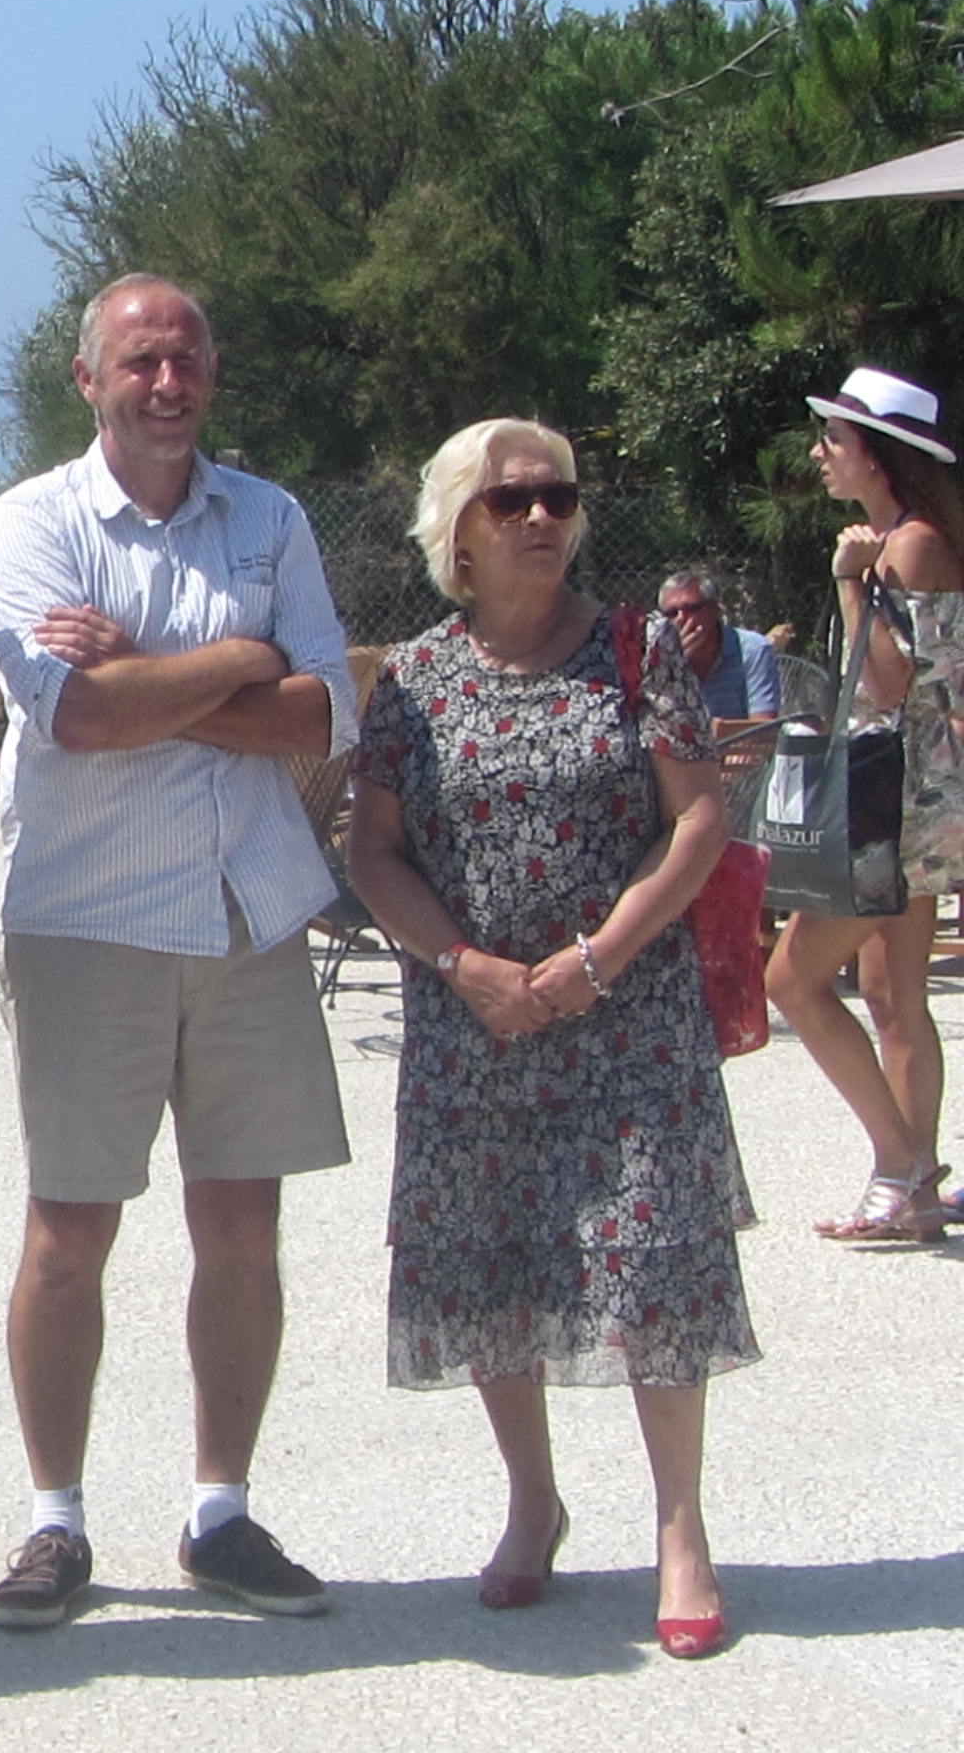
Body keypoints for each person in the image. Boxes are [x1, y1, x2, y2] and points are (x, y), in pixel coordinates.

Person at [0, 273, 353, 1632]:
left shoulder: (271, 518)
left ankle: (220, 1512)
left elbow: (322, 718)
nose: (167, 380)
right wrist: (239, 656)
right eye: (140, 358)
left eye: (187, 354)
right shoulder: (34, 524)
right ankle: (54, 1521)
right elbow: (72, 715)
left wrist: (160, 667)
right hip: (87, 917)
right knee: (70, 1232)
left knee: (243, 1230)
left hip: (246, 908)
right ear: (91, 378)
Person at [349, 417, 754, 1660]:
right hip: (475, 1026)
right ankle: (532, 1499)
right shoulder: (412, 678)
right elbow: (370, 852)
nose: (539, 518)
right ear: (455, 529)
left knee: (648, 1262)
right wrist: (464, 968)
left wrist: (596, 961)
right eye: (509, 498)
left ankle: (678, 1530)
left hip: (626, 1021)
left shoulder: (634, 654)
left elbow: (695, 824)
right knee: (491, 1261)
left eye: (557, 497)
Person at [762, 368, 964, 1242]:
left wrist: (853, 583)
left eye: (833, 441)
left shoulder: (907, 546)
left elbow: (890, 681)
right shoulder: (906, 536)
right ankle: (911, 1189)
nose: (819, 453)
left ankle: (901, 1164)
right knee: (889, 989)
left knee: (792, 978)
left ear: (876, 457)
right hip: (915, 797)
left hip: (897, 804)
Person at [657, 569, 780, 723]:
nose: (681, 618)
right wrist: (680, 668)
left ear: (714, 609)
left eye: (691, 608)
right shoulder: (658, 658)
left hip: (739, 744)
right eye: (671, 613)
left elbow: (763, 728)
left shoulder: (753, 649)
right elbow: (660, 727)